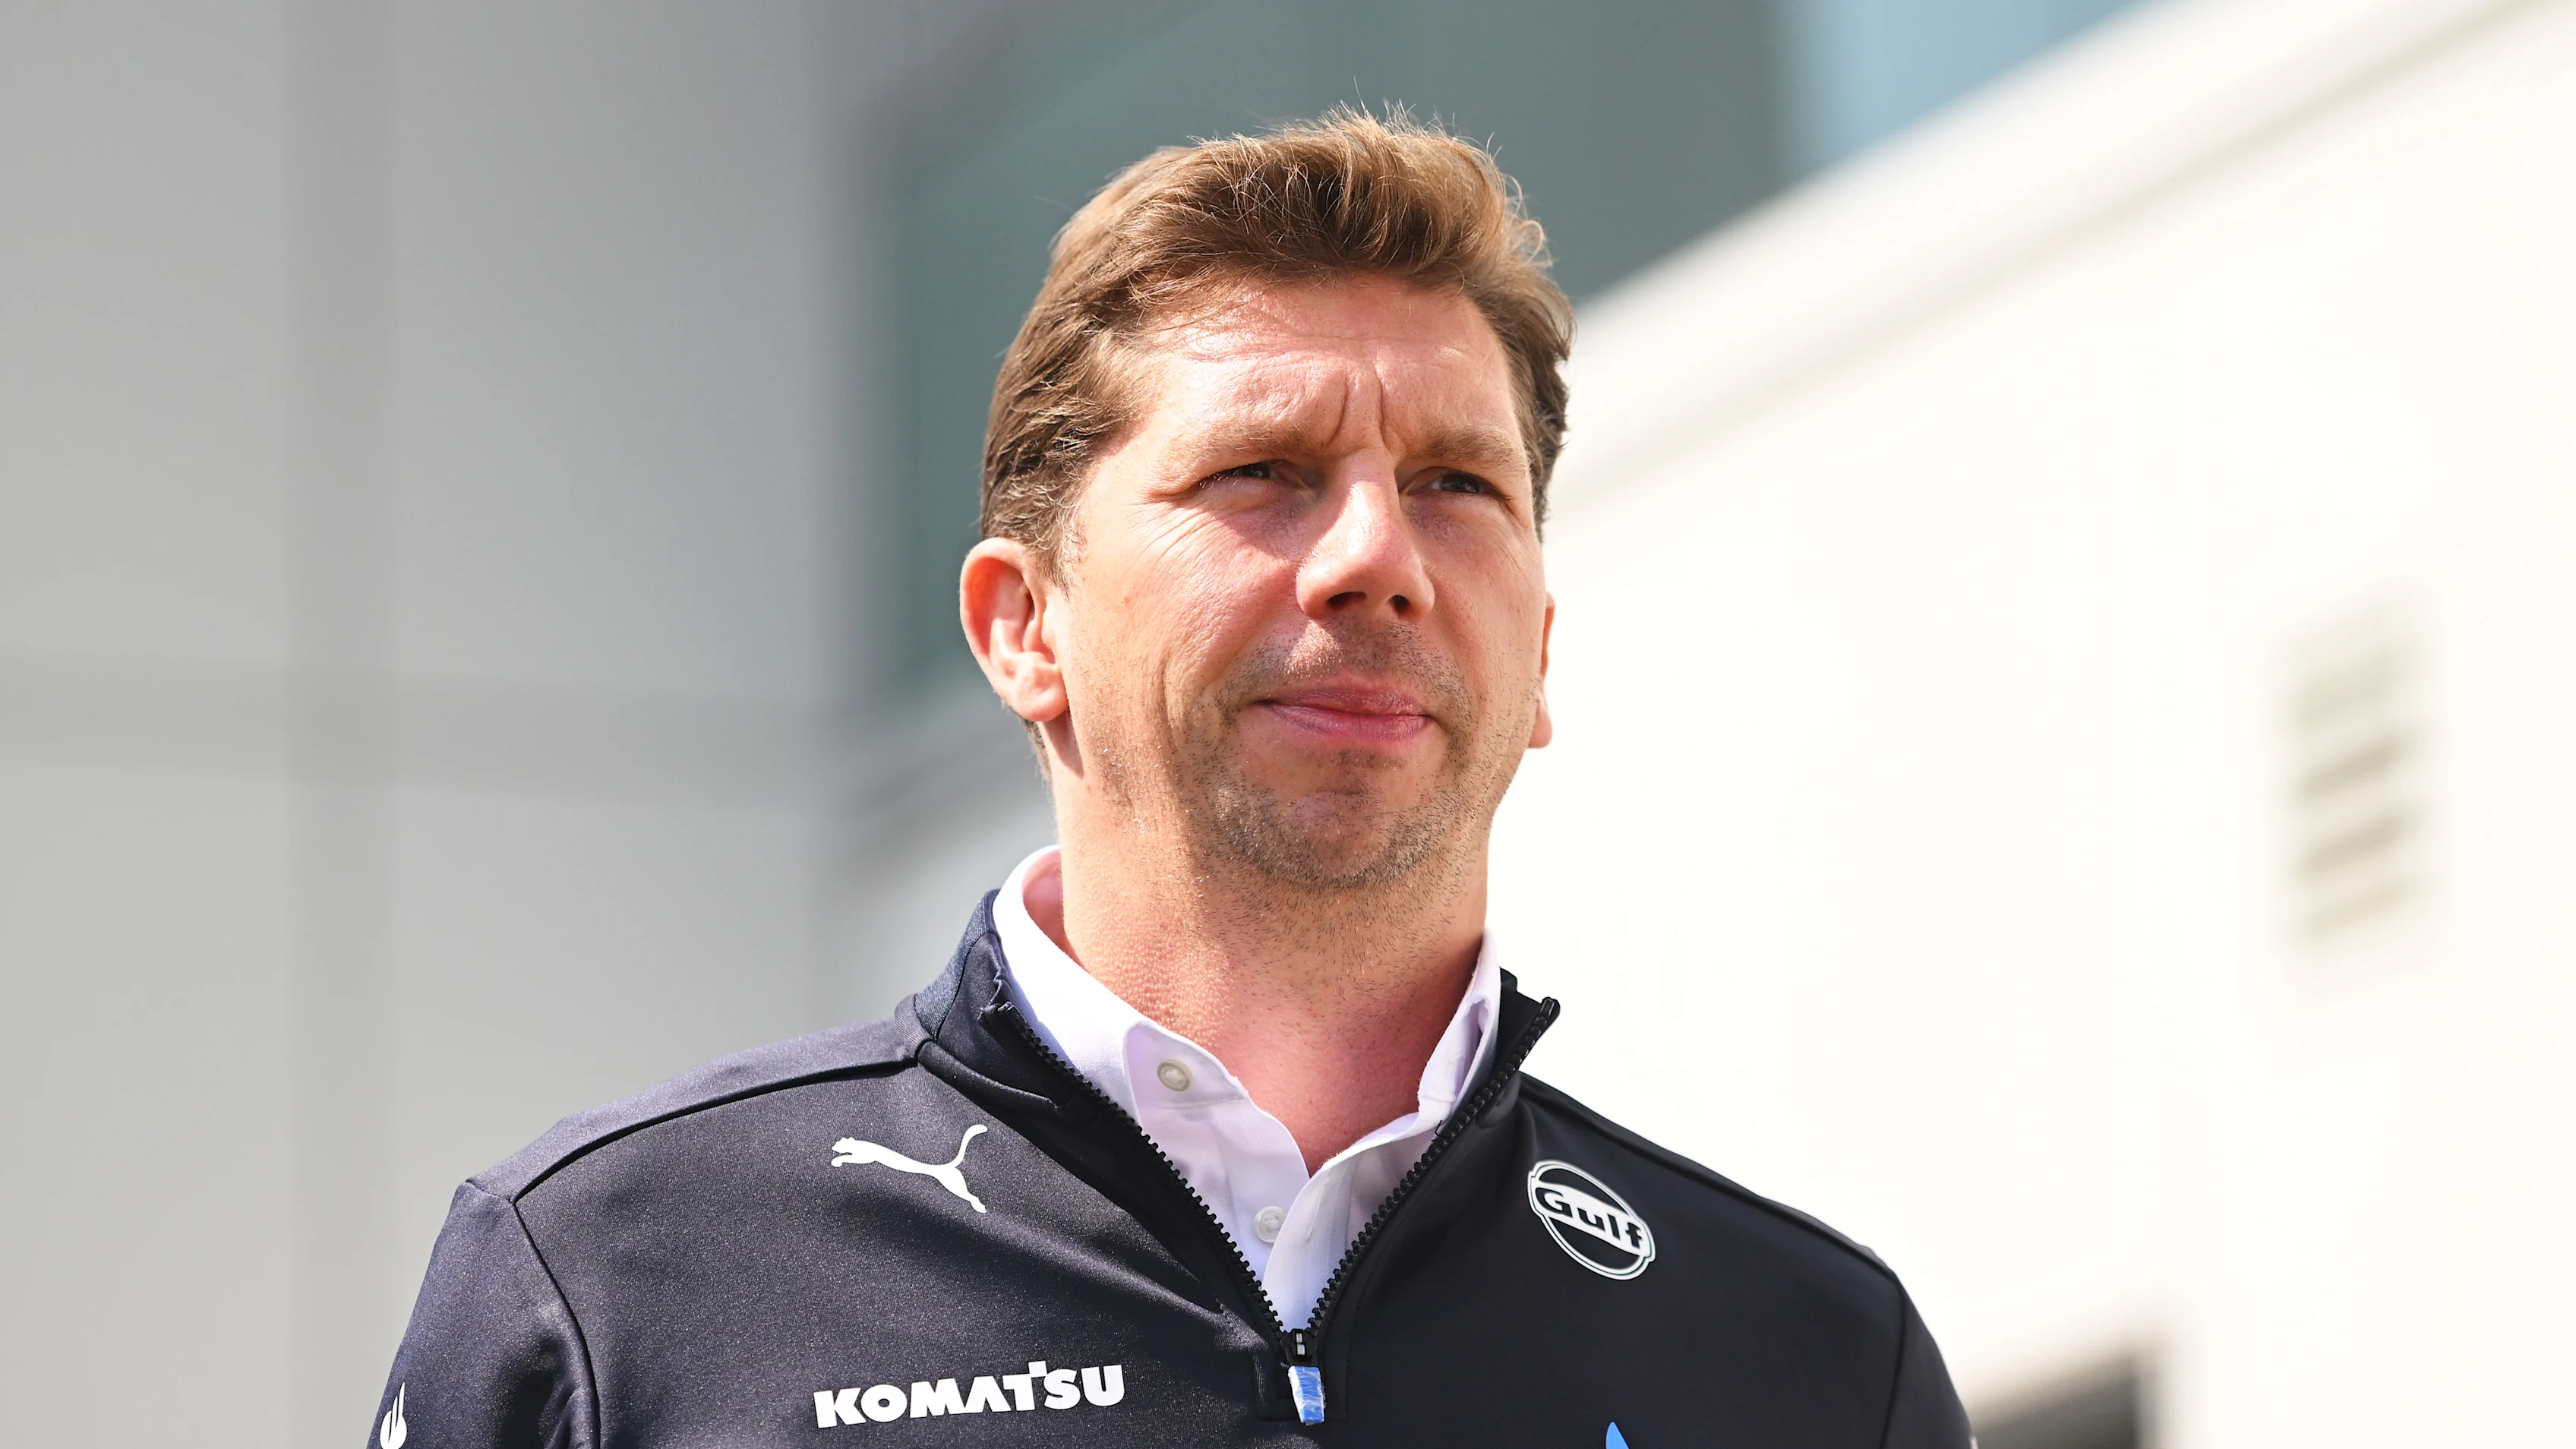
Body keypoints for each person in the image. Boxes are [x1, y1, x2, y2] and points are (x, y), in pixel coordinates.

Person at [368, 110, 1971, 1448]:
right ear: (1023, 630)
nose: (1373, 559)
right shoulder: (608, 1280)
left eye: (1452, 483)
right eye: (1262, 474)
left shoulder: (1815, 1361)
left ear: (1537, 654)